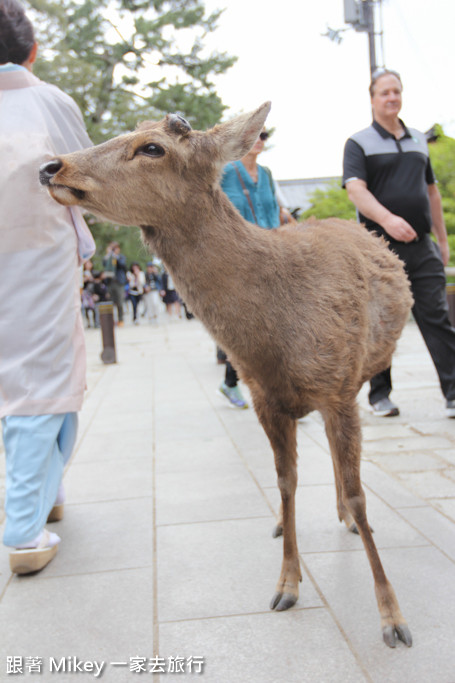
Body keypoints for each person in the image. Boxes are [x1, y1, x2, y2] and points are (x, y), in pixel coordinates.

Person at [0, 0, 95, 573]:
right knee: (44, 383)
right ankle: (22, 528)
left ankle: (48, 492)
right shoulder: (49, 101)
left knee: (26, 382)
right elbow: (87, 177)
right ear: (32, 51)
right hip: (40, 262)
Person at [343, 68, 455, 418]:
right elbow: (355, 189)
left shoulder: (419, 139)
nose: (392, 97)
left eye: (397, 91)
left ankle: (453, 393)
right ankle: (380, 396)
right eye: (384, 92)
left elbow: (432, 193)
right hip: (378, 247)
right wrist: (387, 219)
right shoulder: (359, 142)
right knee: (381, 320)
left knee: (436, 315)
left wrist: (442, 239)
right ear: (373, 98)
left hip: (422, 247)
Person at [218, 128, 281, 409]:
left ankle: (276, 388)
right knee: (245, 325)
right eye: (254, 134)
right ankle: (231, 382)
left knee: (274, 323)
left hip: (273, 253)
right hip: (238, 257)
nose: (259, 139)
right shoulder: (226, 172)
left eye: (264, 135)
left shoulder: (266, 174)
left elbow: (273, 210)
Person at [102, 241, 127, 326]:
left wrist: (115, 256)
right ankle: (111, 320)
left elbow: (122, 265)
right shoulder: (108, 258)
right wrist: (109, 255)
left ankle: (121, 320)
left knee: (120, 302)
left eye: (115, 248)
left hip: (119, 282)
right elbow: (104, 264)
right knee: (110, 302)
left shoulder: (121, 257)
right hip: (110, 282)